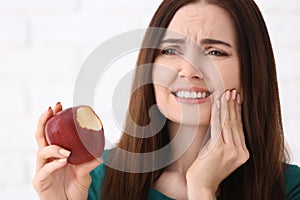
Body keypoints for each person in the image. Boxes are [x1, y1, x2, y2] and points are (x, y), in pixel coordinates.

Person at [33, 0, 300, 199]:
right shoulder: (93, 180)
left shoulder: (290, 188)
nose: (189, 70)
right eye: (171, 50)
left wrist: (202, 189)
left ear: (252, 70)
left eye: (215, 52)